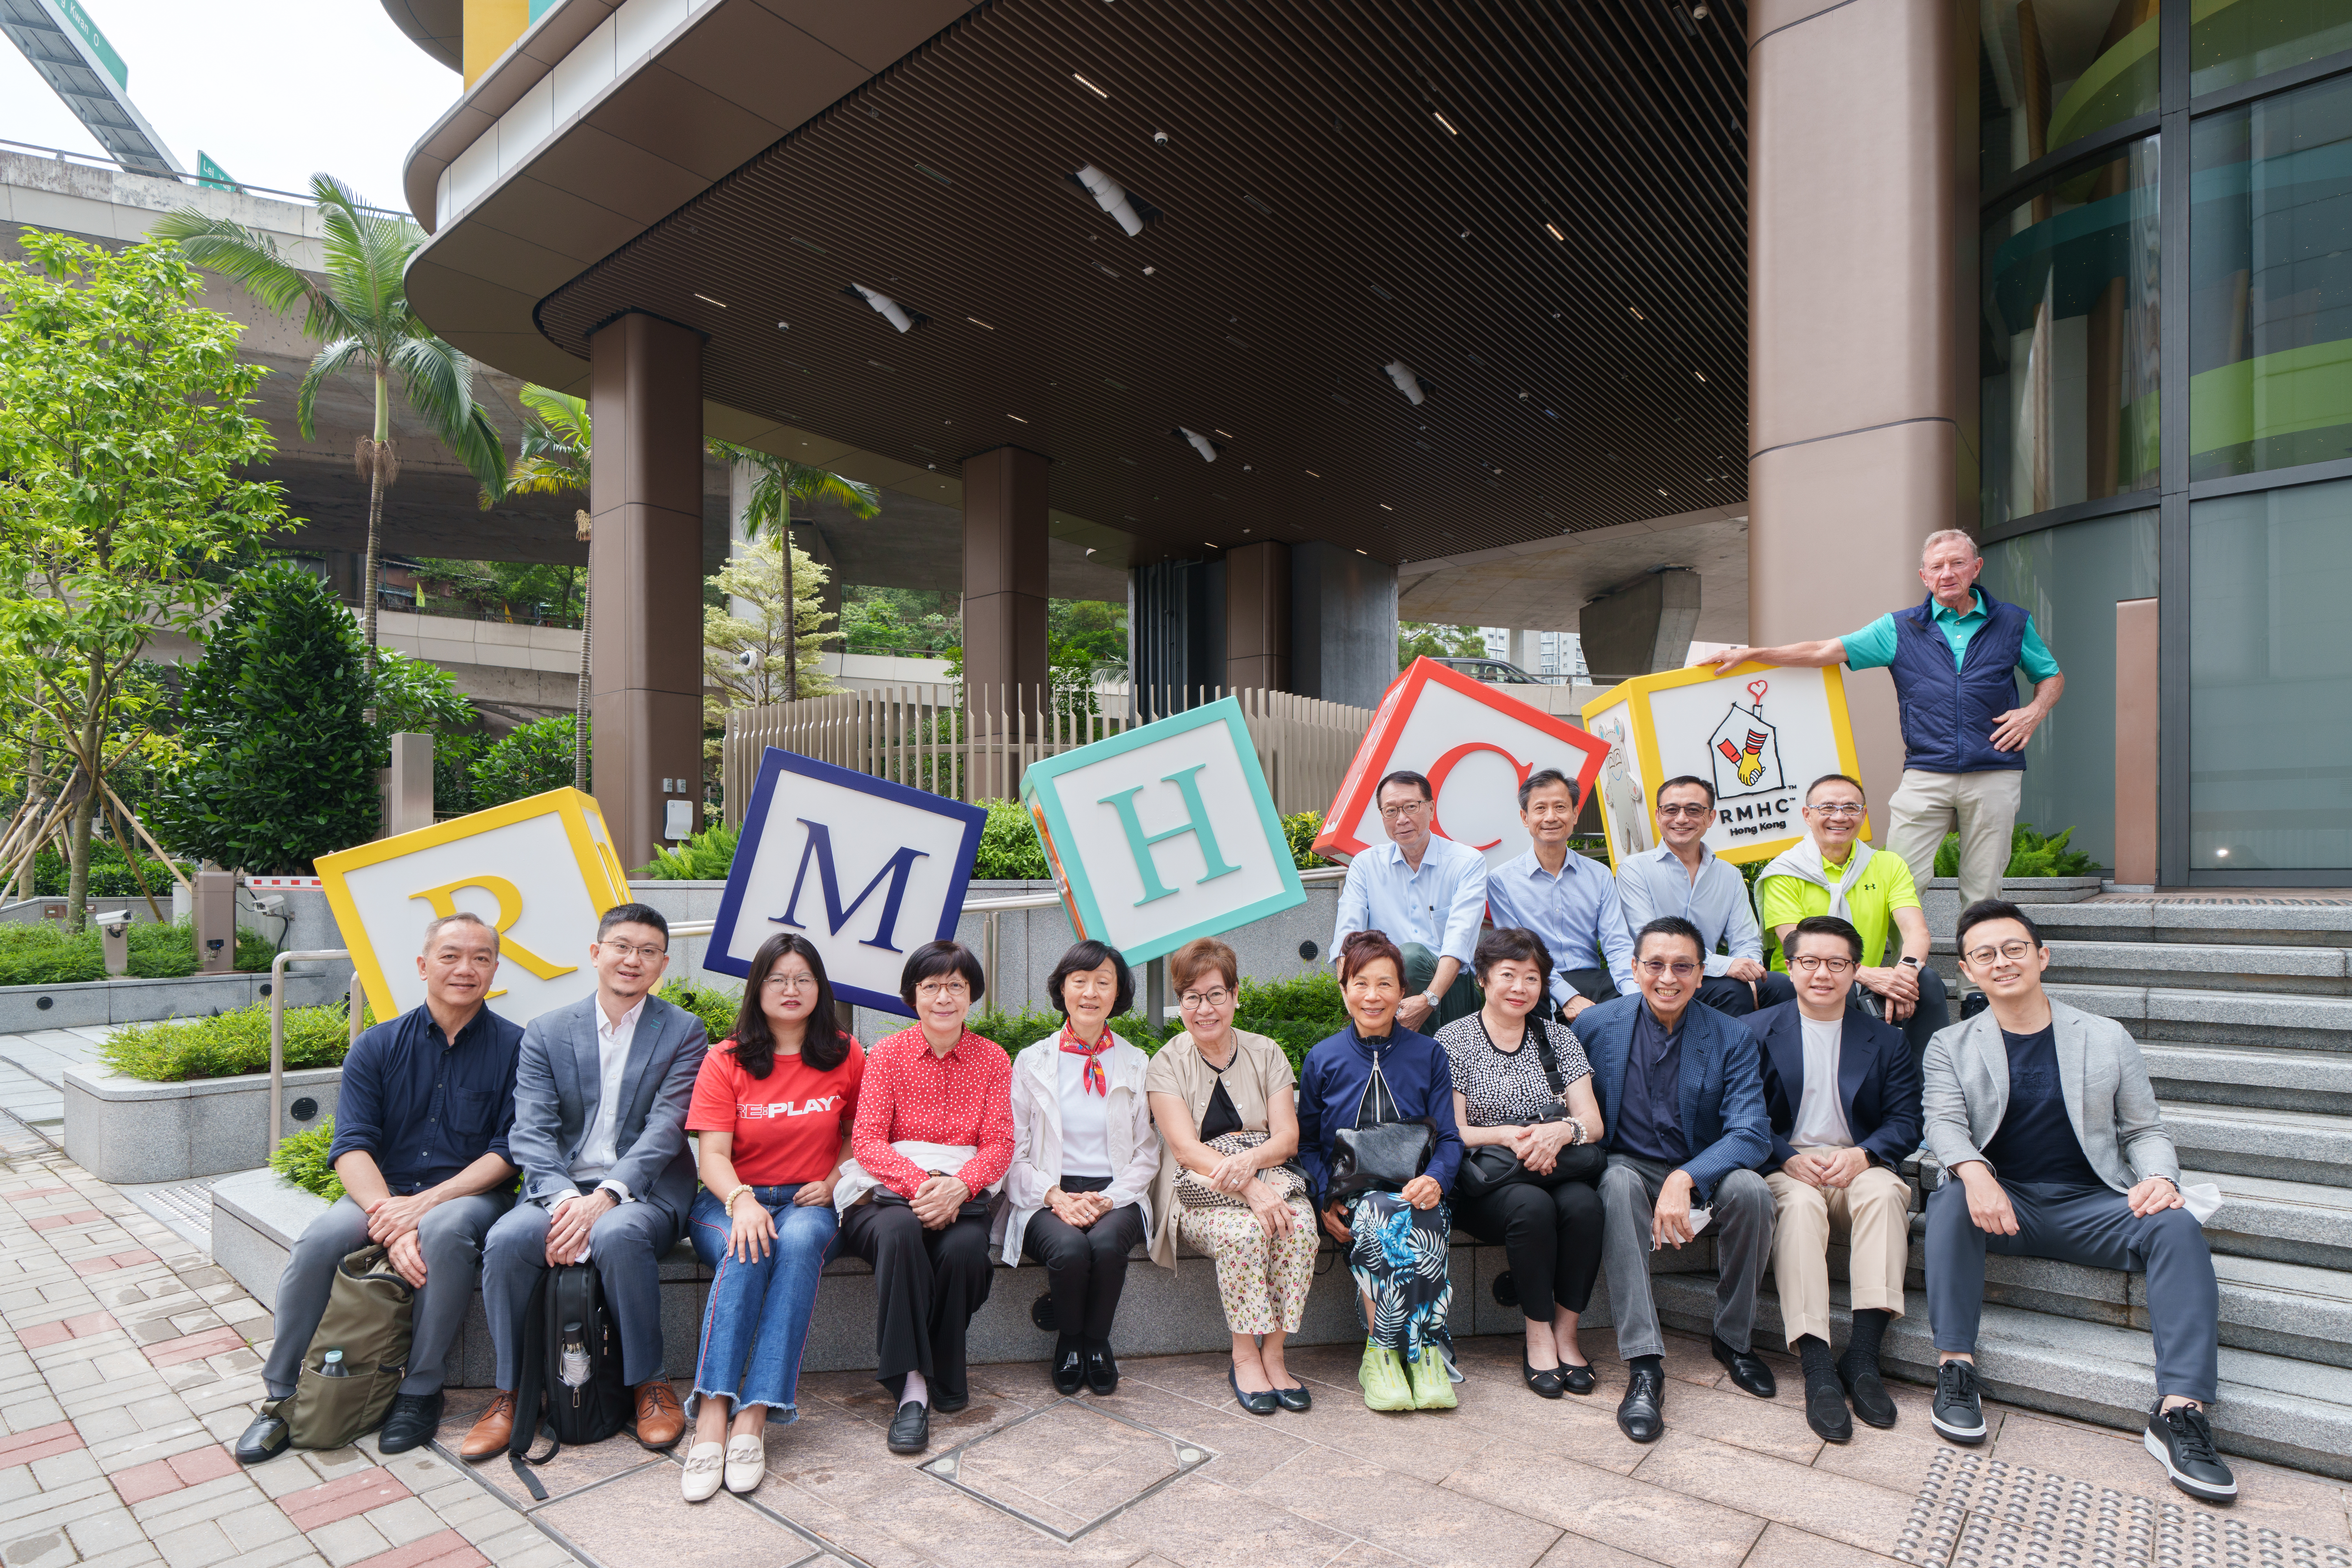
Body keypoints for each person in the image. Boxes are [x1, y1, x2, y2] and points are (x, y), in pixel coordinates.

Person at [1923, 899, 2233, 1504]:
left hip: (2089, 1204)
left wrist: (2160, 1178)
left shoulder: (2104, 1035)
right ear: (1967, 970)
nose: (2002, 961)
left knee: (2173, 1227)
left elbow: (2144, 1130)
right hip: (2001, 1203)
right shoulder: (1949, 1044)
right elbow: (1942, 1122)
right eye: (1984, 954)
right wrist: (1973, 1173)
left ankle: (2180, 1411)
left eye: (2014, 948)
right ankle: (1955, 1368)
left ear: (2042, 955)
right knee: (1953, 1200)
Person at [236, 913, 522, 1464]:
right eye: (450, 955)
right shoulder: (376, 1045)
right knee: (320, 1240)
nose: (466, 968)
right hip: (382, 1192)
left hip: (468, 1194)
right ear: (422, 965)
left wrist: (420, 1209)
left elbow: (508, 1152)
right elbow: (351, 1145)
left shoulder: (517, 1048)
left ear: (494, 968)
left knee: (442, 1231)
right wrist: (389, 1217)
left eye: (481, 957)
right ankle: (280, 1397)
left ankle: (419, 1390)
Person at [1705, 528, 2065, 910]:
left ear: (1975, 568)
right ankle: (1896, 971)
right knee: (1899, 884)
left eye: (1958, 563)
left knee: (1984, 891)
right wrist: (1755, 654)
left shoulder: (2012, 622)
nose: (1947, 573)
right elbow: (1825, 650)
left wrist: (2034, 712)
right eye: (1937, 566)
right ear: (1924, 576)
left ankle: (1976, 972)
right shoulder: (1899, 628)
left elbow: (2051, 676)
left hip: (1995, 769)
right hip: (1926, 771)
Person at [463, 903, 706, 1462]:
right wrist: (570, 1200)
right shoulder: (548, 1031)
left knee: (619, 1234)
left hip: (642, 1192)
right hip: (558, 1189)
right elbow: (531, 1131)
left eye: (648, 951)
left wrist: (605, 1197)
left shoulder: (683, 1031)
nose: (633, 959)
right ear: (597, 953)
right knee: (506, 1240)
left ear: (662, 963)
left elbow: (667, 1127)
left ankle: (649, 1382)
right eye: (622, 946)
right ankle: (512, 1391)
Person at [676, 933, 863, 1502]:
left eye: (803, 978)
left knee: (799, 1243)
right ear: (758, 987)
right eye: (777, 978)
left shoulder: (846, 1052)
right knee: (747, 1245)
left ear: (820, 988)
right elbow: (711, 1156)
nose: (790, 989)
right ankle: (712, 1414)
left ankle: (754, 1416)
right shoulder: (726, 1058)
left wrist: (833, 1181)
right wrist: (743, 1201)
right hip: (731, 1199)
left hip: (809, 1203)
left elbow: (859, 1137)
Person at [1577, 915, 1776, 1444]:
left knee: (1753, 1191)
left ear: (1701, 973)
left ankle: (1732, 1340)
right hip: (1628, 1164)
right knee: (1617, 1184)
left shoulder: (1731, 1035)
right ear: (1635, 968)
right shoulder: (1597, 1026)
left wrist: (1686, 1177)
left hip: (1702, 1165)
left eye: (1682, 966)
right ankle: (1644, 1365)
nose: (1668, 978)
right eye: (1656, 965)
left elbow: (1752, 1133)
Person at [835, 940, 1015, 1456]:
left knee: (963, 1254)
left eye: (955, 986)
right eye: (931, 985)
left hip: (963, 1191)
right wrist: (922, 1186)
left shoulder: (991, 1059)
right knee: (899, 1234)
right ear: (912, 994)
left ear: (971, 995)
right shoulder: (887, 1055)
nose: (943, 997)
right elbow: (867, 1139)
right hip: (887, 1196)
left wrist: (959, 1186)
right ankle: (912, 1386)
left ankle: (940, 1356)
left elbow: (1000, 1142)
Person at [1745, 915, 1919, 1443]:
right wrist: (1781, 1156)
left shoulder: (1885, 1040)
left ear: (1855, 970)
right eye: (1810, 962)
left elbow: (1907, 1121)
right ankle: (1817, 1366)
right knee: (1798, 1209)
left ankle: (1863, 1358)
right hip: (1787, 1165)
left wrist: (1866, 1155)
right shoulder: (1754, 1031)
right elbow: (1740, 1114)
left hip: (1855, 1164)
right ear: (1789, 967)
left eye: (1837, 963)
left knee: (1888, 1192)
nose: (1823, 973)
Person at [1146, 937, 1318, 1416]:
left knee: (1299, 1227)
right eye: (1192, 997)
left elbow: (1287, 1139)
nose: (1205, 1009)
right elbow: (1184, 1149)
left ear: (1236, 995)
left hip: (1268, 1174)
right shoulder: (1166, 1063)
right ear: (1180, 1003)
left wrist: (1252, 1166)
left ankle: (1275, 1354)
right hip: (1198, 1191)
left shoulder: (1266, 1052)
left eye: (1215, 994)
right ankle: (1244, 1355)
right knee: (1245, 1234)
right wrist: (1247, 1185)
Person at [1296, 930, 1465, 1412]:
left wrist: (1436, 1178)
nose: (1373, 996)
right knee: (1376, 1212)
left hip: (1417, 1187)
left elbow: (1449, 1138)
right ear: (1344, 989)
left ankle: (1412, 1353)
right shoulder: (1323, 1058)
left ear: (1402, 992)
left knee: (1419, 1213)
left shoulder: (1429, 1054)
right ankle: (1393, 1355)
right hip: (1353, 1195)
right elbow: (1309, 1145)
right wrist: (1324, 1197)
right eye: (1360, 983)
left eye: (1385, 985)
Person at [1437, 927, 1607, 1398]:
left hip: (1558, 1165)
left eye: (1531, 978)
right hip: (1489, 1179)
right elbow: (1451, 1130)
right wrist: (1510, 1136)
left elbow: (1591, 1122)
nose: (1519, 988)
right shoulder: (1454, 1040)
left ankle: (1567, 1335)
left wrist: (1560, 1131)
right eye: (1508, 975)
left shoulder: (1559, 1038)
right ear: (1483, 979)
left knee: (1585, 1209)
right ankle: (1537, 1336)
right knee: (1532, 1208)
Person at [999, 941, 1159, 1397]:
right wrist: (1055, 1196)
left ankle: (1096, 1342)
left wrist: (1109, 1198)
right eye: (1080, 981)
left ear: (1117, 994)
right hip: (1047, 1192)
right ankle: (1070, 1342)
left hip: (1116, 1193)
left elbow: (1147, 1154)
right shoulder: (1033, 1061)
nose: (1090, 992)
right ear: (1063, 989)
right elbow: (1016, 1152)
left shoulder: (1134, 1062)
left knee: (1108, 1245)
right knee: (1069, 1250)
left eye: (1103, 982)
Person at [1756, 773, 1949, 1070]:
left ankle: (1924, 1088)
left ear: (1863, 815)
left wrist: (1906, 974)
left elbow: (1916, 931)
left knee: (1927, 982)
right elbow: (1798, 947)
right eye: (1827, 808)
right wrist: (1864, 975)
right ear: (1807, 815)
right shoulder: (1785, 871)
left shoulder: (1887, 865)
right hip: (1805, 983)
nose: (1839, 817)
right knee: (1834, 982)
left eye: (1850, 808)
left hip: (1862, 980)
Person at [1617, 776, 1796, 1018]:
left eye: (1694, 810)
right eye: (1671, 810)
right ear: (1658, 816)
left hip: (1709, 976)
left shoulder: (1729, 874)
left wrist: (1749, 972)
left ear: (1710, 818)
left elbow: (1746, 940)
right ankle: (1727, 1056)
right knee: (1733, 991)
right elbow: (1650, 942)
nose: (1682, 818)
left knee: (1782, 987)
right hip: (1663, 975)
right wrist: (1727, 967)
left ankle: (1771, 1055)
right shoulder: (1635, 869)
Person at [1332, 769, 1488, 1032]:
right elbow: (1346, 938)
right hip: (1387, 989)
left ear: (1431, 809)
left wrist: (1429, 999)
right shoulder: (1366, 865)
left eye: (1411, 807)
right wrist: (1351, 999)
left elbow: (1458, 944)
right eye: (1391, 811)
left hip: (1451, 992)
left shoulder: (1467, 862)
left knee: (1412, 957)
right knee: (1392, 969)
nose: (1402, 819)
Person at [1485, 768, 1637, 1021]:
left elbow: (1618, 943)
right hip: (1539, 980)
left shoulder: (1599, 875)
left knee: (1634, 1010)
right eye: (1541, 809)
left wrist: (1635, 996)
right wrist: (1567, 996)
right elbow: (1518, 951)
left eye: (1560, 807)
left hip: (1594, 979)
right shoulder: (1502, 880)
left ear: (1575, 814)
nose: (1551, 817)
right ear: (1525, 817)